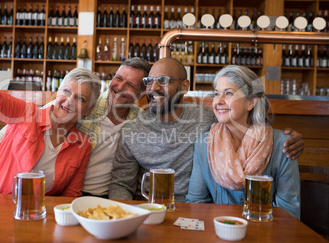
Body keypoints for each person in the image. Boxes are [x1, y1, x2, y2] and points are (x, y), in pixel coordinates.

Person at [109, 58, 305, 203]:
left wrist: (289, 139)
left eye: (163, 80)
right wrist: (125, 216)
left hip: (194, 214)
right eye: (149, 81)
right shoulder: (131, 130)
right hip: (148, 211)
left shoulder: (208, 120)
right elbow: (120, 185)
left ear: (184, 86)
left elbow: (248, 120)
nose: (154, 88)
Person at [0, 11, 101, 196]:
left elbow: (70, 195)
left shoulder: (83, 145)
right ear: (57, 92)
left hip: (37, 217)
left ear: (89, 110)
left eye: (80, 99)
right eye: (66, 91)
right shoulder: (27, 113)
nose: (69, 101)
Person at [0, 57, 151, 197]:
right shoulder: (80, 103)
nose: (120, 87)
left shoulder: (139, 121)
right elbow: (11, 129)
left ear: (142, 93)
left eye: (131, 85)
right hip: (64, 192)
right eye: (118, 78)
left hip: (100, 195)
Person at [185, 65, 300, 219]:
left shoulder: (283, 144)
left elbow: (289, 214)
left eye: (228, 93)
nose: (218, 101)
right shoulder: (204, 143)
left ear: (250, 102)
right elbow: (195, 204)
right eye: (216, 93)